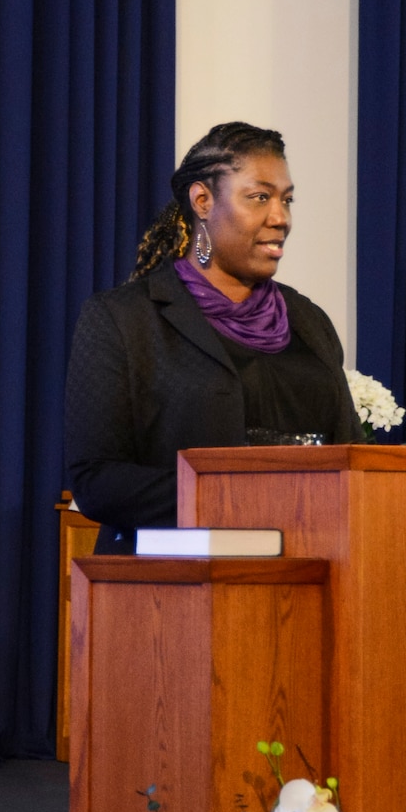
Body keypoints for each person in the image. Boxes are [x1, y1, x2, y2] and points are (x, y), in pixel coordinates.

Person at [64, 123, 361, 552]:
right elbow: (97, 480)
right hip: (171, 589)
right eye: (260, 197)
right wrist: (237, 496)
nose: (280, 218)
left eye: (286, 200)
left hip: (309, 572)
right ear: (203, 200)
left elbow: (348, 455)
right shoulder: (123, 318)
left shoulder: (309, 320)